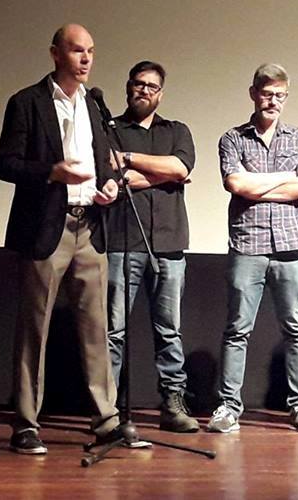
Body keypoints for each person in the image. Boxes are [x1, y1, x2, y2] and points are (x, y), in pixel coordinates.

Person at [0, 23, 135, 454]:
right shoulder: (27, 102)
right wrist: (51, 172)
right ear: (56, 54)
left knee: (97, 328)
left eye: (91, 51)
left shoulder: (94, 105)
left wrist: (109, 183)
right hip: (47, 231)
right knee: (34, 328)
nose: (87, 59)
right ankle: (25, 423)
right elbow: (7, 165)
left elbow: (103, 162)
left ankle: (106, 419)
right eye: (78, 51)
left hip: (90, 226)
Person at [208, 63, 298, 434]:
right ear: (253, 93)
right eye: (266, 93)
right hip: (248, 244)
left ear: (286, 97)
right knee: (237, 329)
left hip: (291, 247)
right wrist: (283, 180)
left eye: (280, 95)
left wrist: (258, 183)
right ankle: (228, 407)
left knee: (297, 330)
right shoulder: (233, 138)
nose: (273, 101)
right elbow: (236, 186)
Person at [106, 61, 198, 433]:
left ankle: (172, 404)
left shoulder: (177, 131)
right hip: (121, 242)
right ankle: (106, 409)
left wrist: (130, 161)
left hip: (170, 244)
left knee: (169, 330)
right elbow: (110, 172)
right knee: (114, 331)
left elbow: (180, 168)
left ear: (161, 93)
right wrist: (158, 172)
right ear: (128, 87)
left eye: (152, 86)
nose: (144, 90)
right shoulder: (109, 129)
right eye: (138, 84)